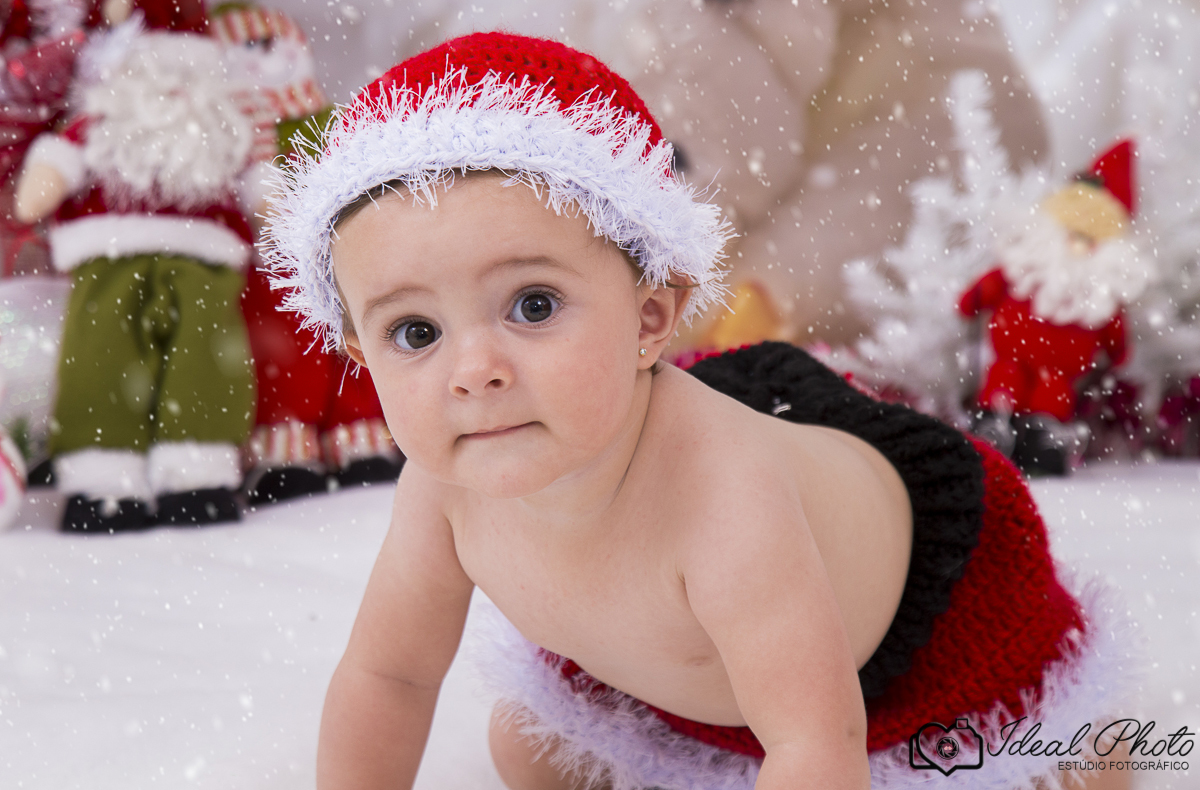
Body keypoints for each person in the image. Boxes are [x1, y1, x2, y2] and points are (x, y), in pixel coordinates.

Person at [263, 32, 1136, 790]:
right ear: (359, 355)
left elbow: (813, 738)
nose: (475, 371)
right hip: (692, 671)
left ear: (650, 318)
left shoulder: (724, 499)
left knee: (1039, 759)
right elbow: (391, 676)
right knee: (527, 749)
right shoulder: (445, 488)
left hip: (909, 634)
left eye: (532, 305)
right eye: (415, 330)